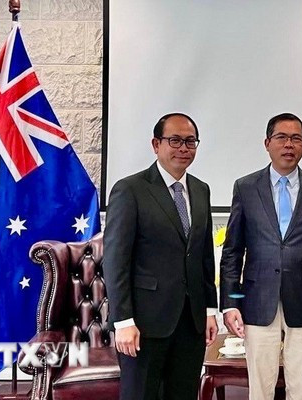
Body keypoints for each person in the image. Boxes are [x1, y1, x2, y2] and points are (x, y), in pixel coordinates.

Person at [220, 112, 302, 400]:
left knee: (301, 386)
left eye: (296, 138)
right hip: (257, 300)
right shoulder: (246, 188)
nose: (289, 144)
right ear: (267, 143)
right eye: (282, 138)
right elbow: (232, 252)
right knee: (260, 385)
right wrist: (229, 303)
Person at [104, 112, 219, 400]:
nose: (184, 148)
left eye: (190, 141)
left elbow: (204, 256)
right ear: (156, 144)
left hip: (190, 323)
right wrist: (123, 321)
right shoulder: (130, 189)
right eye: (175, 140)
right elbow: (116, 261)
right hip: (144, 324)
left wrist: (209, 310)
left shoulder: (201, 190)